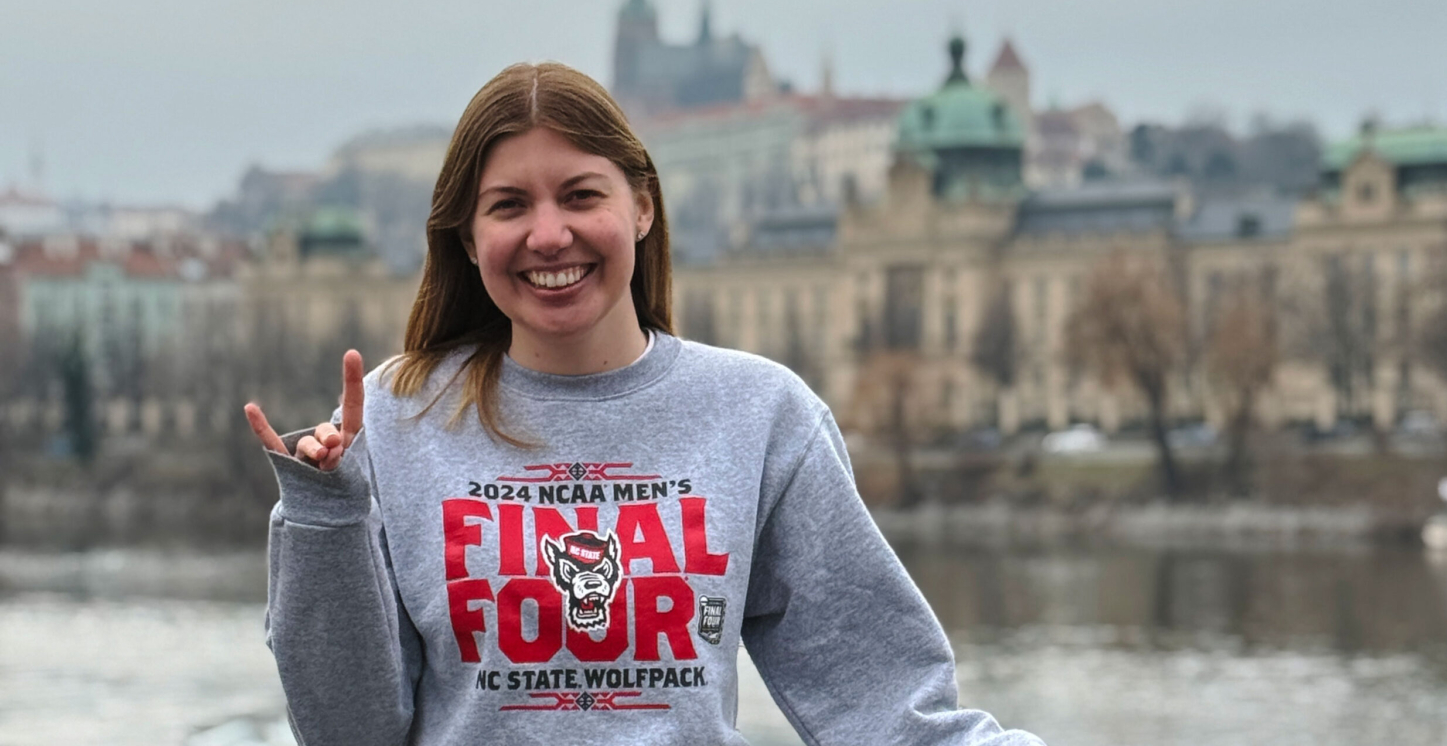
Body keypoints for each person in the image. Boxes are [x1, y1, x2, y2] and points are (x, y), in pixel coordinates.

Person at [244, 62, 1044, 746]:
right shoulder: (397, 415)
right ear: (466, 237)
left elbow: (886, 710)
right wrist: (325, 517)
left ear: (643, 206)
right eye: (510, 205)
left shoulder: (760, 414)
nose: (549, 234)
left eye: (581, 195)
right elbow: (348, 733)